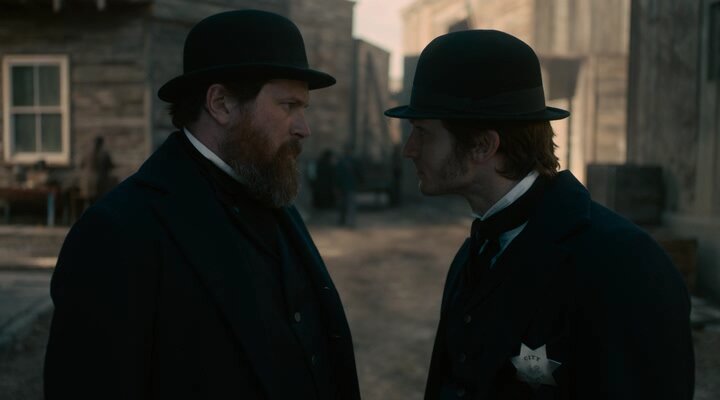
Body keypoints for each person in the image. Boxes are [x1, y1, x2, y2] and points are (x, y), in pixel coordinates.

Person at [44, 10, 360, 400]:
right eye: (288, 105)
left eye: (303, 108)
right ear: (221, 103)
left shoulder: (273, 198)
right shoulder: (117, 232)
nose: (303, 128)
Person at [385, 30, 694, 400]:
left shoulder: (623, 264)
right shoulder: (474, 254)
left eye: (422, 132)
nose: (409, 149)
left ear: (483, 145)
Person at [78, 135, 114, 207]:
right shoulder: (104, 154)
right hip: (99, 182)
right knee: (98, 203)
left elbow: (81, 165)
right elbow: (110, 166)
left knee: (89, 203)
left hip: (87, 183)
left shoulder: (86, 153)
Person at [334, 145, 361, 227]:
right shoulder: (353, 161)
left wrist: (336, 186)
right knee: (349, 205)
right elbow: (359, 173)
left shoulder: (342, 162)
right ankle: (349, 221)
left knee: (344, 204)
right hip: (350, 186)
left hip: (344, 186)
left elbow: (337, 175)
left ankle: (344, 221)